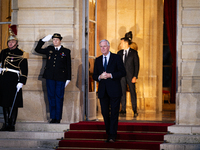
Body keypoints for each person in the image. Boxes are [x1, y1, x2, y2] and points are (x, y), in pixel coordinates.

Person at [93, 39, 126, 142]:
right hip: (103, 91)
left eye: (104, 46)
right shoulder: (97, 60)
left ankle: (112, 135)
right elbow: (94, 75)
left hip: (115, 90)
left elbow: (122, 72)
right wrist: (99, 77)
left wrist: (110, 75)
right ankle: (109, 132)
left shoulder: (116, 58)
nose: (102, 48)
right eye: (101, 47)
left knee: (114, 113)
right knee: (104, 113)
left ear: (108, 47)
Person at [35, 33, 71, 123]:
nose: (55, 41)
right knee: (51, 97)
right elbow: (37, 49)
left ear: (60, 41)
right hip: (50, 77)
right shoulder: (49, 49)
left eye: (57, 40)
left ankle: (58, 118)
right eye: (53, 40)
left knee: (59, 97)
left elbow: (68, 65)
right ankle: (53, 117)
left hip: (61, 78)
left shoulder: (66, 51)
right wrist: (43, 40)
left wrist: (68, 78)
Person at [0, 25, 28, 131]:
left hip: (14, 80)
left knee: (13, 103)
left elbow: (25, 70)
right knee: (4, 103)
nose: (10, 44)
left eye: (12, 42)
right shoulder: (4, 52)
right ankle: (6, 123)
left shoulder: (22, 54)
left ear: (16, 43)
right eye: (9, 42)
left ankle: (12, 125)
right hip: (3, 79)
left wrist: (22, 81)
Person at [117, 31, 140, 117]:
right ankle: (123, 109)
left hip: (131, 76)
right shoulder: (119, 53)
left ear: (126, 43)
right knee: (122, 92)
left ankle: (134, 109)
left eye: (121, 43)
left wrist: (135, 76)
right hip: (121, 76)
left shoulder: (134, 53)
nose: (120, 44)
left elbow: (137, 65)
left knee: (133, 92)